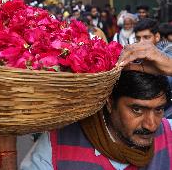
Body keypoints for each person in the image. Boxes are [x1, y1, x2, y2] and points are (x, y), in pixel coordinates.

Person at [21, 70, 171, 170]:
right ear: (110, 103)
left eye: (158, 110)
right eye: (137, 110)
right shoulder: (58, 143)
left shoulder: (168, 133)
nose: (151, 125)